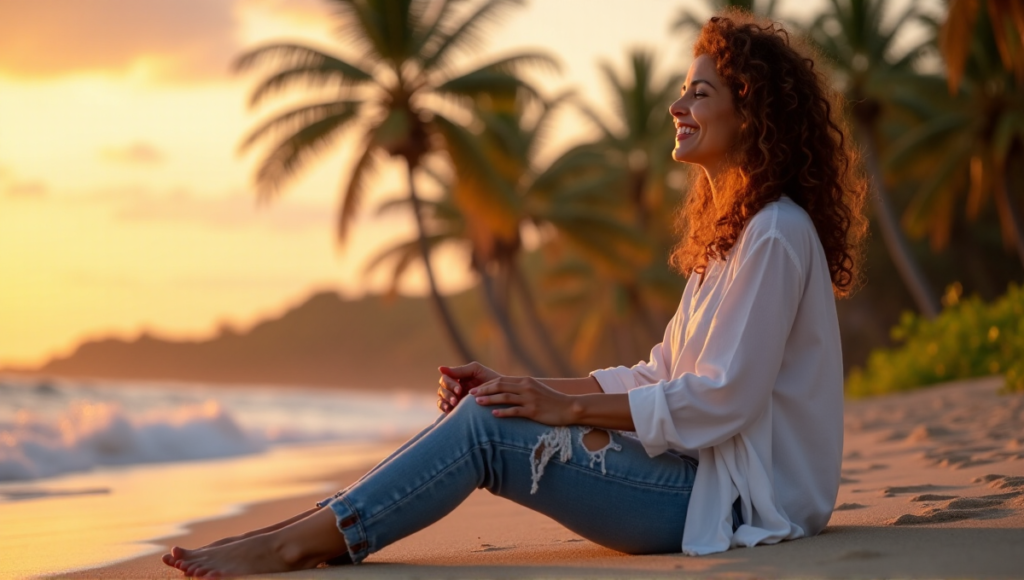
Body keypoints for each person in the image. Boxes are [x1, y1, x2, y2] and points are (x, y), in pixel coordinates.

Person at [162, 11, 867, 577]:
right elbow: (660, 374)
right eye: (684, 90)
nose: (677, 105)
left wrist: (563, 407)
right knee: (490, 409)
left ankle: (294, 545)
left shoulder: (775, 232)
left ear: (751, 112)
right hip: (705, 483)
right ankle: (297, 532)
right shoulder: (733, 239)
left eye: (700, 93)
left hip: (737, 503)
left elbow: (723, 398)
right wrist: (524, 389)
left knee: (486, 432)